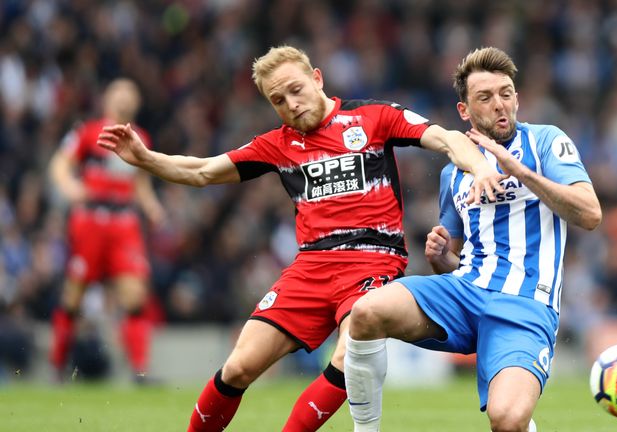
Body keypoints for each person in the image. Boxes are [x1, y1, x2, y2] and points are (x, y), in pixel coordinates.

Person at [96, 45, 503, 432]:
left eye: (296, 89)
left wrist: (480, 169)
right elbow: (202, 171)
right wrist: (146, 159)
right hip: (309, 268)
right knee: (239, 366)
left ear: (317, 78)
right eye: (278, 99)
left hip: (373, 261)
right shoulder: (276, 145)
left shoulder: (373, 117)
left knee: (348, 356)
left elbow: (448, 139)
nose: (291, 103)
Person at [343, 47, 602, 432]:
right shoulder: (455, 173)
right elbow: (460, 259)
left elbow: (590, 213)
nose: (500, 104)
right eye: (485, 97)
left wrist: (522, 172)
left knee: (508, 420)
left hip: (525, 306)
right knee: (363, 314)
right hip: (464, 293)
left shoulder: (545, 141)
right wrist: (441, 258)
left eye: (506, 93)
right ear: (464, 110)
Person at [48, 78, 165, 382]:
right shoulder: (87, 133)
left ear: (137, 102)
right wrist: (69, 185)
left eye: (131, 93)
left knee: (135, 297)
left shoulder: (141, 138)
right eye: (119, 92)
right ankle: (57, 366)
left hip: (124, 225)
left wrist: (151, 207)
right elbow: (60, 164)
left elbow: (140, 182)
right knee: (73, 299)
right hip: (90, 222)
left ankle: (141, 372)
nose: (125, 98)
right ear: (106, 99)